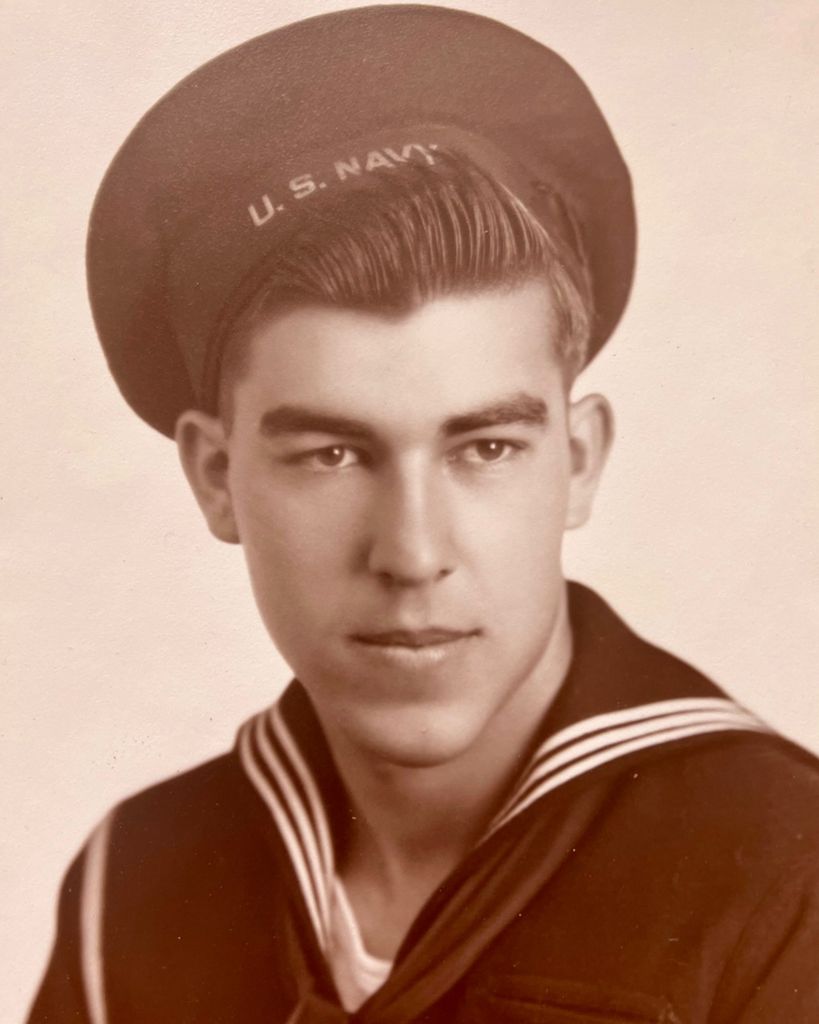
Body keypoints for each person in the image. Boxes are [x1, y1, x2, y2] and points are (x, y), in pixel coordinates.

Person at [27, 6, 819, 1023]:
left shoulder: (787, 878)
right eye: (332, 453)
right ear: (217, 477)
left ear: (577, 462)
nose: (411, 553)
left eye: (484, 448)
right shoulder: (133, 887)